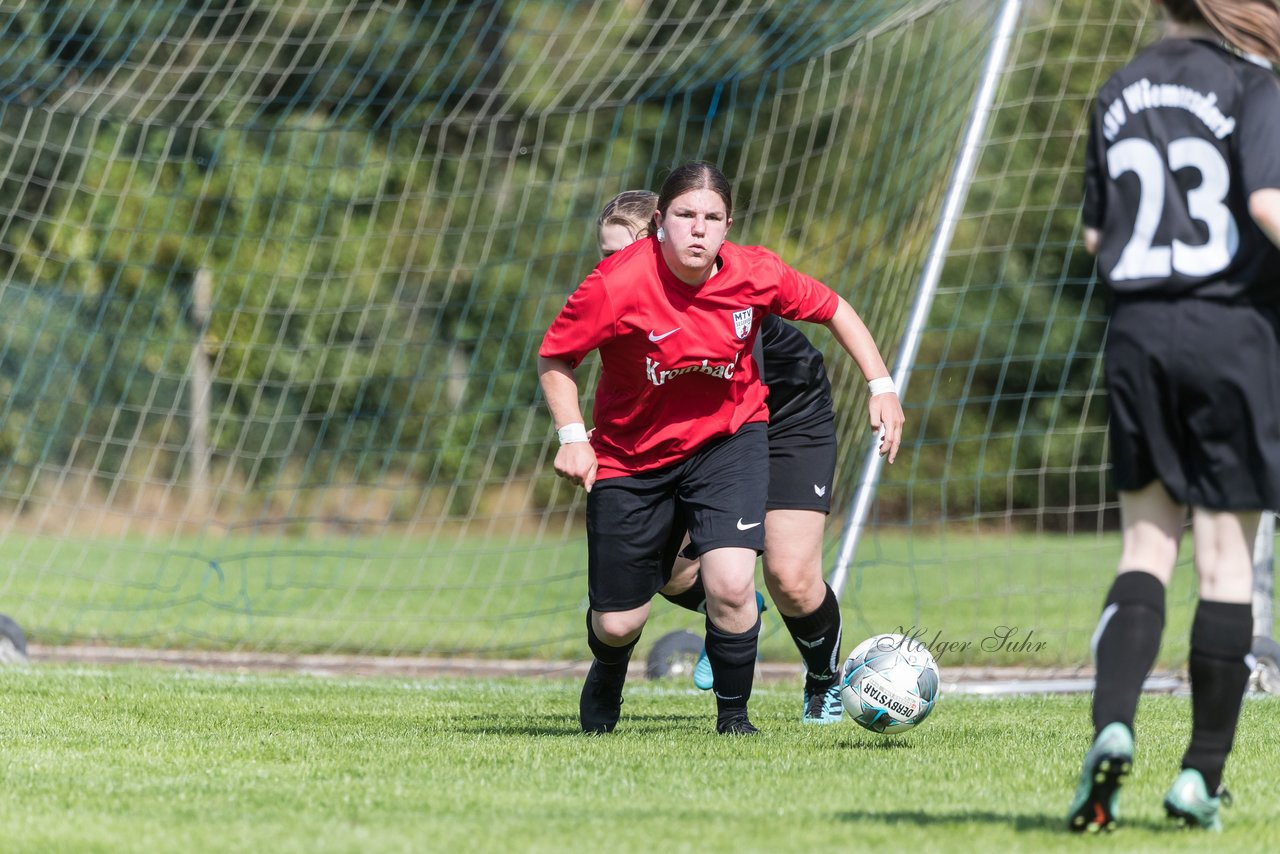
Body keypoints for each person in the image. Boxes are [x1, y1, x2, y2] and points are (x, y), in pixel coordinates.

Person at [540, 161, 904, 736]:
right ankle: (614, 663)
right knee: (619, 618)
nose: (699, 229)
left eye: (711, 218)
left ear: (727, 225)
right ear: (661, 224)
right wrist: (574, 437)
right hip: (647, 446)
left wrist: (880, 387)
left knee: (763, 577)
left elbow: (833, 308)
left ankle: (768, 705)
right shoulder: (617, 285)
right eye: (686, 216)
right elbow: (557, 357)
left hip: (758, 424)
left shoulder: (752, 274)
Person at [1068, 0, 1280, 832]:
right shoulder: (1252, 85)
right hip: (1231, 333)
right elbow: (1267, 204)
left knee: (1146, 547)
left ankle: (1113, 723)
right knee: (1227, 562)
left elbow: (1094, 238)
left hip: (1138, 334)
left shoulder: (1117, 90)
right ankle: (1199, 776)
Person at [595, 189, 859, 724]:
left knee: (790, 576)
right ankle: (737, 609)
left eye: (620, 254)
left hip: (784, 416)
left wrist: (880, 386)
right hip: (717, 423)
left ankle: (825, 682)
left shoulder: (718, 290)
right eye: (604, 257)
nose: (610, 268)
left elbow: (730, 395)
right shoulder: (621, 296)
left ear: (659, 242)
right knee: (661, 564)